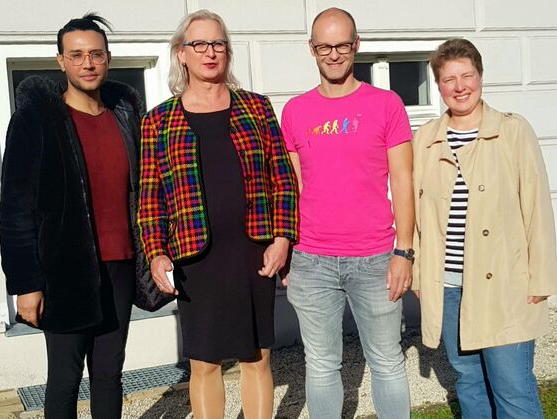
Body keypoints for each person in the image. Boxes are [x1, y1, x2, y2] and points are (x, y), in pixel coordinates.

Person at [137, 9, 298, 419]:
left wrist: (282, 239)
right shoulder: (158, 121)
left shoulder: (257, 109)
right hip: (194, 259)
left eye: (218, 44)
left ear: (227, 52)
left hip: (253, 252)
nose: (210, 53)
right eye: (200, 44)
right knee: (204, 363)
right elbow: (150, 198)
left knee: (257, 357)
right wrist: (156, 252)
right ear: (181, 54)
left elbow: (282, 178)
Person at [0, 13, 143, 419]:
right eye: (76, 55)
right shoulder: (36, 121)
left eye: (96, 54)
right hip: (65, 271)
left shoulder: (125, 117)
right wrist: (25, 283)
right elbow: (14, 210)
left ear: (108, 59)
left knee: (109, 373)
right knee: (64, 378)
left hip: (120, 266)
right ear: (60, 61)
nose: (88, 63)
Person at [412, 38, 557, 418]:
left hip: (505, 285)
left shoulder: (513, 131)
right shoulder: (426, 139)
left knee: (513, 389)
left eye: (467, 76)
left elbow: (538, 206)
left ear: (480, 77)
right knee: (471, 385)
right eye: (448, 79)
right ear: (438, 85)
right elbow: (416, 213)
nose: (459, 87)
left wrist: (541, 281)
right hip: (449, 288)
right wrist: (417, 273)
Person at [280, 7, 413, 419]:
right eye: (325, 46)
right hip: (312, 261)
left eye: (342, 45)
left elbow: (404, 180)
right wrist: (287, 248)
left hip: (376, 259)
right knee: (320, 366)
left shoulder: (386, 104)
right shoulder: (295, 111)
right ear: (312, 49)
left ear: (357, 45)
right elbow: (292, 188)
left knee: (387, 361)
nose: (333, 54)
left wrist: (404, 251)